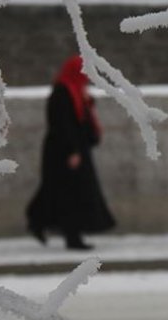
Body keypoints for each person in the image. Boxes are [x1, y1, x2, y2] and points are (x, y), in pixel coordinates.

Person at [27, 55, 115, 250]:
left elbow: (79, 120)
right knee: (72, 194)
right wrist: (72, 150)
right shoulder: (63, 92)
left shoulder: (76, 92)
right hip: (64, 151)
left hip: (74, 149)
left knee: (59, 191)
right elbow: (62, 124)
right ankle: (71, 236)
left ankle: (38, 220)